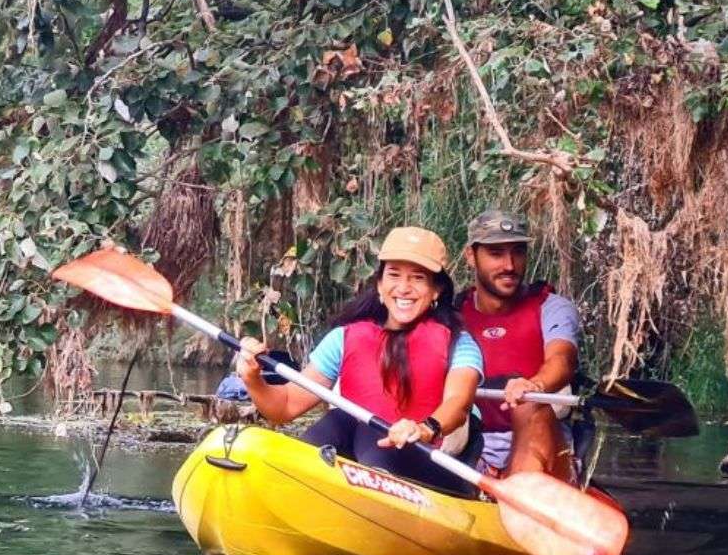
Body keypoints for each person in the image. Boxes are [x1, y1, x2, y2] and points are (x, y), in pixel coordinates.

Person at [235, 226, 484, 496]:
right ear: (379, 284)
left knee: (371, 428)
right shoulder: (343, 339)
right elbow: (284, 407)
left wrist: (424, 428)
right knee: (343, 420)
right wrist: (253, 379)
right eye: (394, 275)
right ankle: (294, 487)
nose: (403, 288)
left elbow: (458, 405)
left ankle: (359, 498)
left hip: (436, 466)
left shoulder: (460, 343)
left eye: (418, 278)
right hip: (365, 463)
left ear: (436, 290)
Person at [457, 210, 580, 480]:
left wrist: (533, 385)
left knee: (529, 402)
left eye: (518, 252)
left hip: (543, 438)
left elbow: (563, 359)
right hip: (471, 447)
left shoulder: (552, 307)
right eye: (496, 253)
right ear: (470, 256)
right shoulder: (452, 315)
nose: (510, 265)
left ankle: (522, 490)